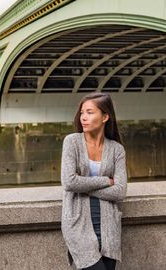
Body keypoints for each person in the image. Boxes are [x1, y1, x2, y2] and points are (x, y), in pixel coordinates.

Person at [61, 92, 127, 270]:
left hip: (109, 227)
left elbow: (120, 191)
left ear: (105, 116)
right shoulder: (72, 142)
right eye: (82, 112)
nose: (84, 117)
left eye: (90, 112)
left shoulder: (117, 150)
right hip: (78, 224)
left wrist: (83, 185)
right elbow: (69, 182)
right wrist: (105, 180)